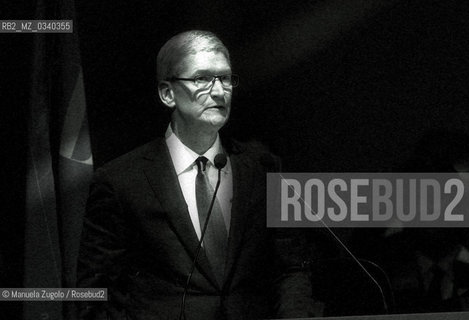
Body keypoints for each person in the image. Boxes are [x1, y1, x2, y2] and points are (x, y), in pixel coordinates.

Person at [77, 30, 315, 320]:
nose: (218, 91)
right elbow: (95, 291)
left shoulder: (263, 167)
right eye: (201, 79)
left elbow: (291, 269)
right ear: (167, 94)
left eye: (225, 78)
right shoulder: (120, 181)